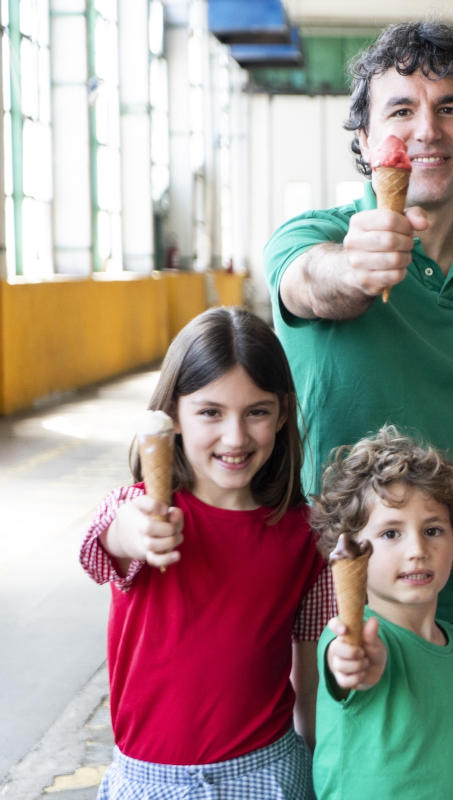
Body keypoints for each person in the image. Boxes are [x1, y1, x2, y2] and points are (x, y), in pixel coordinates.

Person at [263, 21, 453, 798]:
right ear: (365, 140)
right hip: (349, 613)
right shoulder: (314, 238)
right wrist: (356, 265)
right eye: (400, 109)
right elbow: (310, 284)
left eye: (452, 108)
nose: (426, 128)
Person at [79, 307, 334, 799]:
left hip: (271, 772)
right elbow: (98, 548)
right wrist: (134, 534)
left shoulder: (306, 535)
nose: (235, 437)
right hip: (148, 782)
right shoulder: (141, 512)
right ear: (172, 415)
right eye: (210, 412)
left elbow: (310, 674)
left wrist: (321, 764)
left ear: (282, 413)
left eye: (256, 411)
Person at [309, 426, 453, 799]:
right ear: (353, 549)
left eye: (433, 530)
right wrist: (353, 661)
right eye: (391, 533)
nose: (417, 549)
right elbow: (346, 663)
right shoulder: (351, 637)